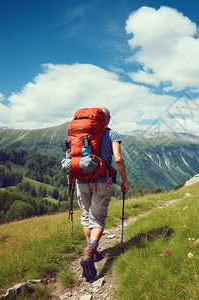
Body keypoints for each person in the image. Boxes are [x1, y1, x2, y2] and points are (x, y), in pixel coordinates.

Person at [77, 106, 129, 280]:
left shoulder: (79, 132)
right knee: (98, 219)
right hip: (101, 180)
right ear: (106, 119)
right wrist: (124, 181)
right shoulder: (111, 134)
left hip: (80, 180)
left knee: (86, 216)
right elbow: (118, 158)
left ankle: (93, 252)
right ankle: (90, 253)